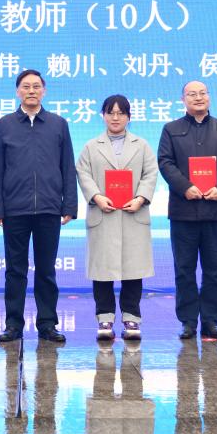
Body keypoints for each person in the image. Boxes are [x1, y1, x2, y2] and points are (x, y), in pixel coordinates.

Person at [0, 69, 77, 343]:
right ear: (18, 91)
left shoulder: (58, 124)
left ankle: (47, 324)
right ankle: (13, 324)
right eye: (26, 86)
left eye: (36, 86)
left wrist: (69, 205)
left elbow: (67, 166)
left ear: (44, 91)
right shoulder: (4, 125)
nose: (31, 91)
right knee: (15, 271)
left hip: (49, 208)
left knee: (46, 270)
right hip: (14, 209)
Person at [157, 81, 217, 341]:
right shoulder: (171, 129)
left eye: (202, 93)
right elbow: (165, 162)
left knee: (214, 270)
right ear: (183, 99)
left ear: (209, 97)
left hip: (215, 210)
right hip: (183, 210)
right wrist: (185, 187)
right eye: (192, 94)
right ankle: (188, 322)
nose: (198, 97)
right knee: (184, 269)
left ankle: (211, 321)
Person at [76, 95, 158, 341]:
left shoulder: (141, 145)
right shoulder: (91, 146)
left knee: (133, 269)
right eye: (110, 112)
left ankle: (132, 318)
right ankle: (105, 319)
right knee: (102, 271)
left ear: (129, 117)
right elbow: (83, 173)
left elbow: (150, 173)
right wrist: (97, 197)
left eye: (121, 113)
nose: (115, 117)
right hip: (104, 213)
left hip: (133, 214)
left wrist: (141, 198)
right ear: (103, 116)